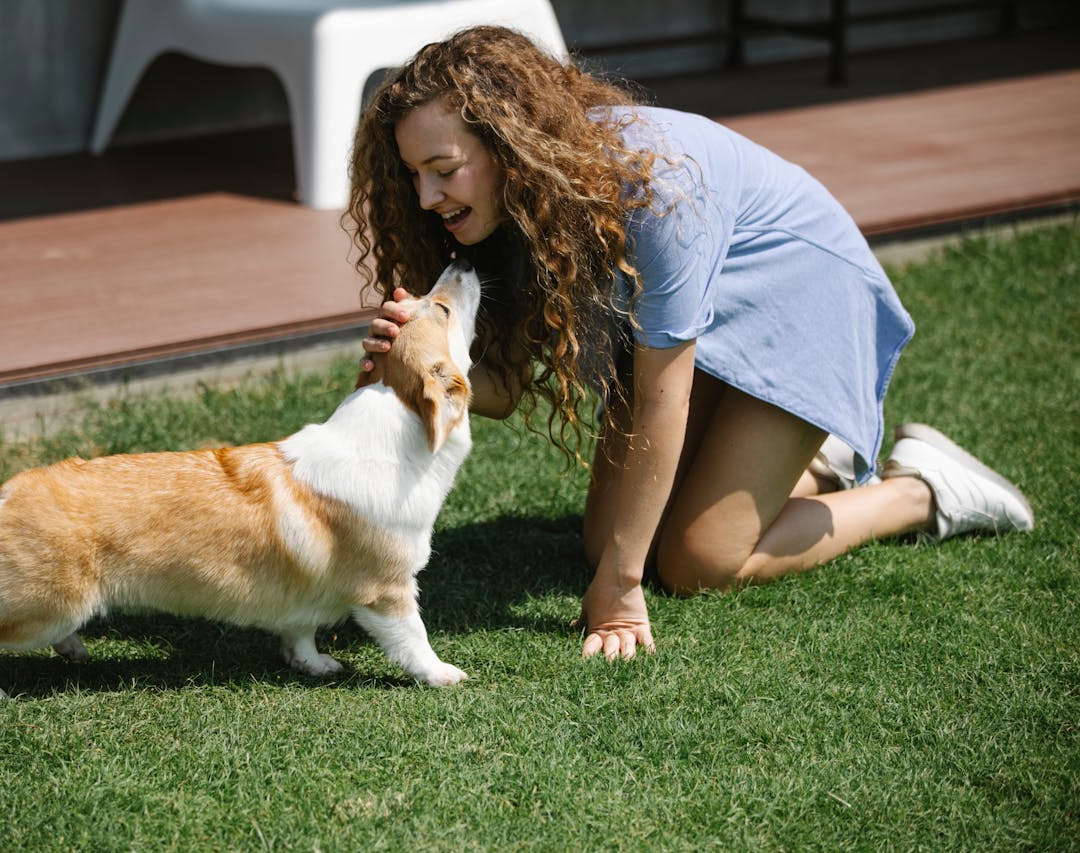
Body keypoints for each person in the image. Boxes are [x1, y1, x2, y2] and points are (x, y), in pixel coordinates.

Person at [347, 26, 1034, 660]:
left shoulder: (657, 194)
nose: (428, 194)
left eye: (444, 168)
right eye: (414, 174)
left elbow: (660, 401)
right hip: (699, 324)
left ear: (509, 146)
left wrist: (620, 589)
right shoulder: (509, 213)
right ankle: (799, 457)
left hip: (799, 299)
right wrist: (410, 361)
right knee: (604, 540)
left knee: (696, 561)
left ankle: (918, 488)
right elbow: (504, 389)